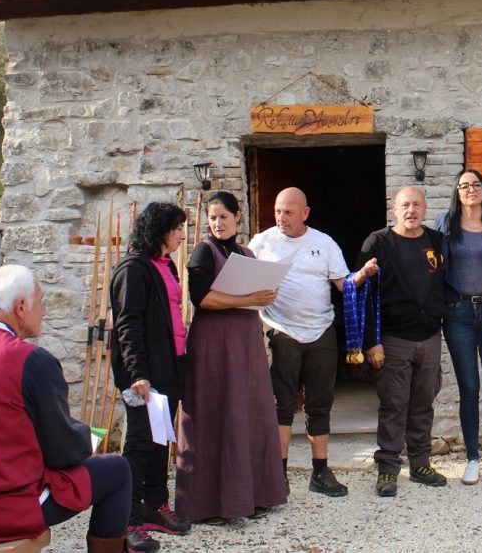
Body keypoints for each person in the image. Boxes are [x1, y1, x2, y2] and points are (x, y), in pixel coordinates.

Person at [0, 265, 131, 552]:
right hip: (5, 508)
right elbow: (62, 451)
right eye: (41, 302)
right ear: (21, 306)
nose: (44, 312)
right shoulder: (33, 360)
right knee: (118, 469)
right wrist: (87, 439)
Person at [248, 187, 376, 497]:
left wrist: (362, 275)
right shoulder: (261, 243)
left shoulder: (323, 242)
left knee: (320, 404)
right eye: (278, 211)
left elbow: (343, 286)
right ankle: (278, 475)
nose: (282, 218)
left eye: (289, 212)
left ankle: (320, 472)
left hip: (321, 331)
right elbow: (247, 289)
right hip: (281, 331)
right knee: (283, 405)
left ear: (305, 213)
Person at [175, 191, 287, 522]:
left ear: (237, 216)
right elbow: (202, 299)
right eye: (212, 217)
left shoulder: (246, 253)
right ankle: (209, 502)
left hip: (246, 342)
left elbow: (253, 296)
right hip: (214, 344)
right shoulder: (202, 252)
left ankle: (253, 496)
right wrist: (248, 297)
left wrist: (265, 294)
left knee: (249, 412)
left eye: (223, 216)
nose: (217, 223)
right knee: (214, 412)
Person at [110, 202, 192, 552]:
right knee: (140, 443)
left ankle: (155, 505)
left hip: (168, 367)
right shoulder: (134, 269)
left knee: (162, 438)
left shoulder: (165, 265)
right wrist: (137, 374)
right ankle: (125, 520)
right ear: (158, 230)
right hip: (144, 374)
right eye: (175, 228)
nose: (180, 235)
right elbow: (128, 324)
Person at [356, 186, 448, 497]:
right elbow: (362, 295)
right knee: (393, 405)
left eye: (417, 205)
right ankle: (387, 469)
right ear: (394, 209)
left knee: (424, 403)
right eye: (405, 205)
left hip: (430, 336)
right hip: (393, 339)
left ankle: (421, 463)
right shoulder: (379, 242)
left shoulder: (437, 241)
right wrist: (371, 341)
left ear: (425, 209)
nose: (411, 210)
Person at [434, 169, 482, 485]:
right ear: (457, 191)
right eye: (464, 185)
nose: (471, 189)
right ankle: (471, 458)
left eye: (476, 184)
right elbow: (435, 266)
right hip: (459, 314)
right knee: (469, 389)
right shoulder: (445, 224)